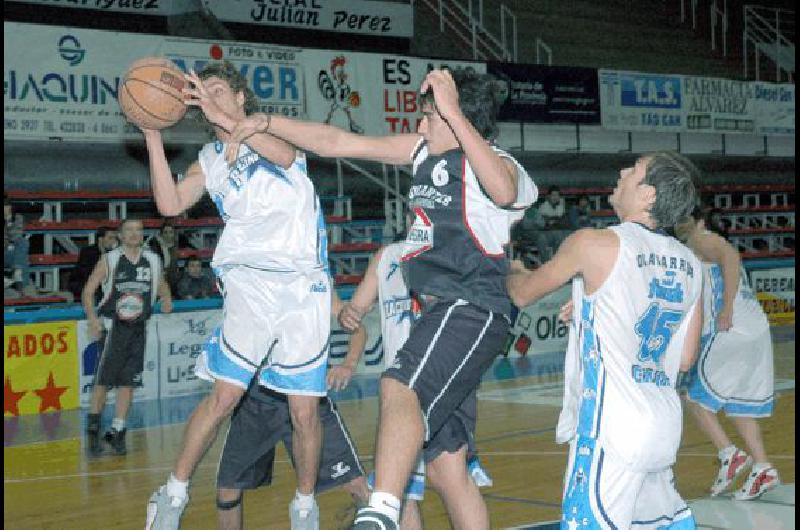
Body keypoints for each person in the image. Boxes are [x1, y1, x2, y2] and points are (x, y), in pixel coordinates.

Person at [226, 68, 537, 530]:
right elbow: (335, 142)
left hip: (470, 306)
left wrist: (450, 109)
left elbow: (504, 190)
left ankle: (381, 513)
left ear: (455, 119)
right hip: (442, 316)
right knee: (446, 468)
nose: (421, 125)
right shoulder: (421, 152)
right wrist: (264, 122)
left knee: (398, 386)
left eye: (429, 116)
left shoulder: (501, 163)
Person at [142, 61, 331, 530]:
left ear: (241, 96)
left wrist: (228, 121)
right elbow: (169, 205)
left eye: (219, 89)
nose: (211, 95)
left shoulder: (273, 135)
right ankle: (173, 493)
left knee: (304, 412)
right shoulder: (208, 158)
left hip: (304, 286)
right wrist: (151, 134)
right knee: (224, 396)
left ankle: (304, 504)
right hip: (250, 283)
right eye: (203, 91)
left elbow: (286, 158)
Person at [507, 152, 703, 529]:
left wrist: (512, 270)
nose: (622, 172)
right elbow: (684, 358)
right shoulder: (690, 262)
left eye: (633, 170)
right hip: (663, 424)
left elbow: (522, 294)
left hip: (615, 426)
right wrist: (588, 307)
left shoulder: (593, 244)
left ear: (648, 195)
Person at [340, 242, 496, 530]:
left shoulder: (446, 250)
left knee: (450, 472)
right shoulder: (387, 256)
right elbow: (356, 309)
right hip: (401, 383)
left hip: (437, 376)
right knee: (400, 485)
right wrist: (349, 315)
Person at [216, 291, 369, 530]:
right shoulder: (251, 277)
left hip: (306, 398)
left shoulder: (313, 278)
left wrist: (349, 364)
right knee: (228, 488)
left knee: (356, 484)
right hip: (256, 401)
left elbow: (357, 328)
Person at [676, 206, 780, 500]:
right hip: (755, 328)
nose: (680, 223)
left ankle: (729, 454)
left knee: (694, 396)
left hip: (730, 327)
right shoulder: (698, 246)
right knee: (739, 404)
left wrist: (726, 309)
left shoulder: (701, 238)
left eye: (686, 218)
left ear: (700, 221)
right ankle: (763, 467)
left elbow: (730, 257)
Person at [83, 218, 173, 456]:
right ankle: (92, 430)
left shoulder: (152, 260)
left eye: (138, 230)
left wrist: (166, 298)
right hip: (114, 327)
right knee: (104, 380)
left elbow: (161, 284)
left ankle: (117, 431)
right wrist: (93, 319)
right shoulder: (110, 260)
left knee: (128, 382)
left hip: (138, 327)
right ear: (121, 236)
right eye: (129, 230)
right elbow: (88, 290)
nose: (134, 234)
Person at [69, 226, 118, 301]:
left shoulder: (116, 254)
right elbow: (86, 275)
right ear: (100, 239)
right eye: (110, 238)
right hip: (88, 286)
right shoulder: (88, 252)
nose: (114, 241)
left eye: (115, 238)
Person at [4, 193, 32, 296]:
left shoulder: (18, 218)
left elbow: (16, 237)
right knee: (22, 257)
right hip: (7, 250)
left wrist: (9, 222)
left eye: (7, 206)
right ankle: (22, 285)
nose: (5, 209)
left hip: (11, 253)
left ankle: (18, 275)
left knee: (23, 242)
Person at [534, 186, 569, 262]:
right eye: (553, 195)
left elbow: (563, 222)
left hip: (559, 232)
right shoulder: (543, 207)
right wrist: (555, 221)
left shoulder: (561, 207)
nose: (555, 197)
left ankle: (559, 261)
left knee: (564, 234)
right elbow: (544, 224)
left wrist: (554, 221)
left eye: (557, 195)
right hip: (546, 234)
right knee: (557, 235)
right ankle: (551, 263)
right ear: (548, 196)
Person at [148, 218, 181, 291]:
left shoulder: (177, 243)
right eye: (165, 232)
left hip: (174, 279)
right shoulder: (155, 246)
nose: (168, 235)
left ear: (174, 233)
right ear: (161, 234)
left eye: (170, 232)